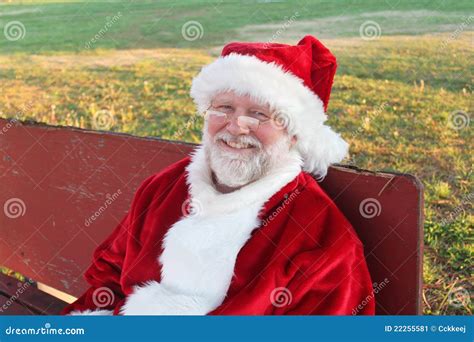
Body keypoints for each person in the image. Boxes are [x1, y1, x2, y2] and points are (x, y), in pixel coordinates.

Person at [62, 35, 375, 315]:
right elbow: (108, 278)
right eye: (224, 107)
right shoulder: (161, 190)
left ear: (294, 134)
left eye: (259, 113)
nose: (237, 125)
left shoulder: (323, 242)